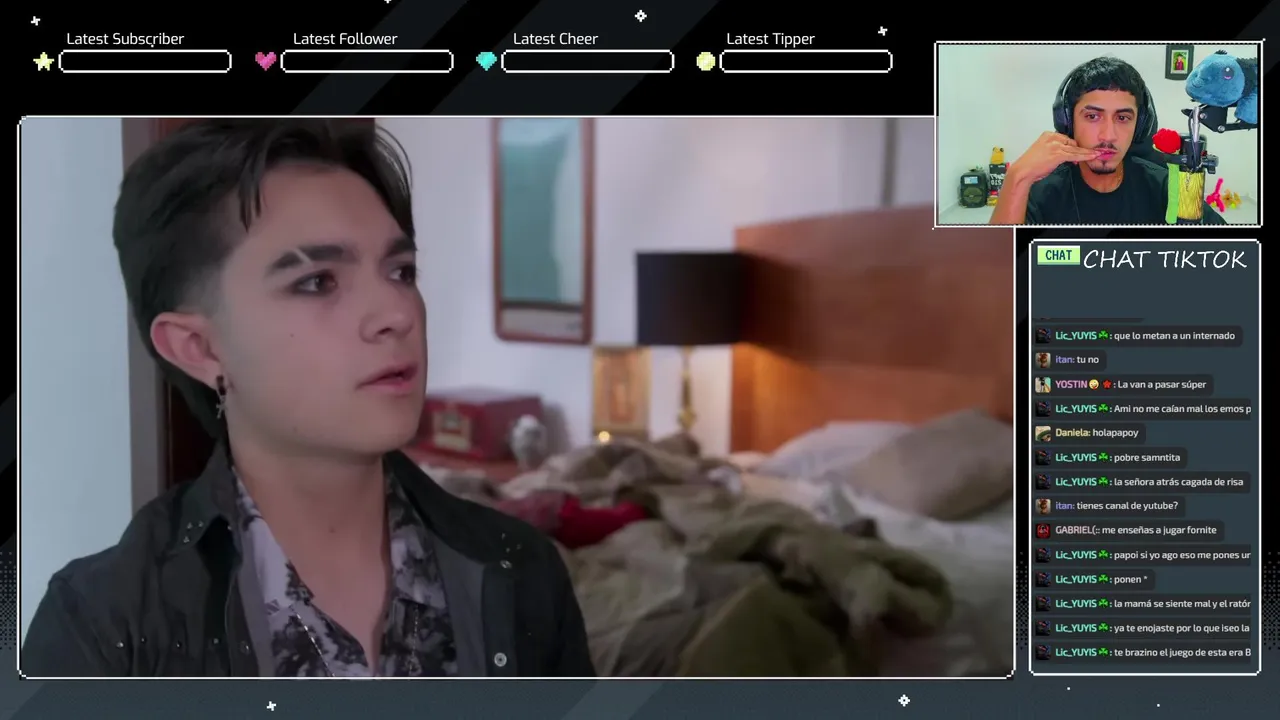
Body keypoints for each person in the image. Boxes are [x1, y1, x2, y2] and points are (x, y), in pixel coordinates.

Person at [20, 120, 595, 678]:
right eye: (318, 281)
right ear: (199, 348)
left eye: (401, 271)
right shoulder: (103, 629)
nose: (396, 314)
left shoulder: (518, 571)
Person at [991, 56, 1225, 225]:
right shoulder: (1039, 193)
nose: (1108, 135)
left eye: (1123, 118)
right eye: (1092, 116)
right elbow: (996, 272)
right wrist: (1017, 177)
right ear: (1068, 122)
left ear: (1140, 125)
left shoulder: (1166, 187)